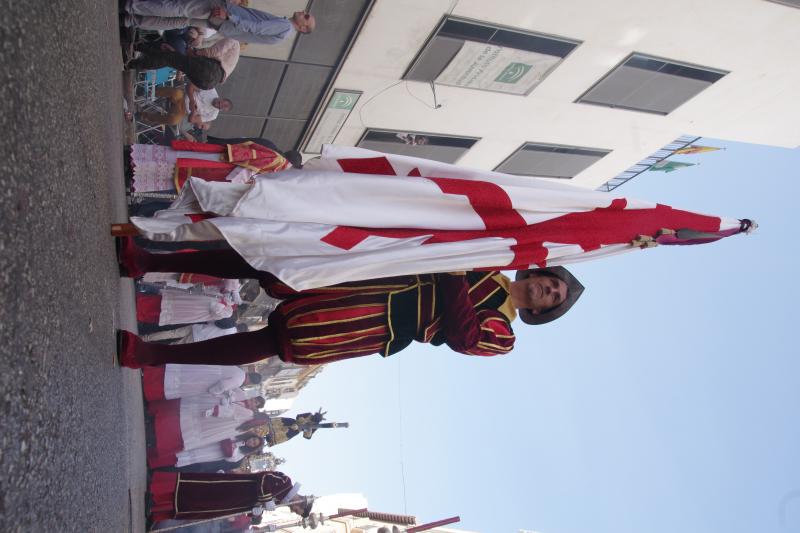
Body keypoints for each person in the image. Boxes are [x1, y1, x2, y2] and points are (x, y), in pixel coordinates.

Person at [116, 239, 584, 368]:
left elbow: (463, 336)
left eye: (555, 298)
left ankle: (154, 355)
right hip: (371, 273)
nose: (548, 290)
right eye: (552, 281)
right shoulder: (493, 258)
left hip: (377, 322)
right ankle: (148, 260)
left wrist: (457, 274)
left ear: (543, 311)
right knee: (268, 264)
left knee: (274, 341)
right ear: (541, 272)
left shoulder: (505, 338)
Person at [128, 139, 290, 193]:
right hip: (221, 164)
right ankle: (136, 160)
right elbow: (248, 158)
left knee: (180, 177)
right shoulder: (277, 161)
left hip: (220, 177)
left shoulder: (280, 182)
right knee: (181, 159)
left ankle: (139, 175)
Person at [147, 470, 310, 522]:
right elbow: (263, 478)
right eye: (297, 510)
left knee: (197, 505)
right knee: (196, 490)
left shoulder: (280, 501)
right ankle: (156, 494)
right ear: (300, 501)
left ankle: (156, 510)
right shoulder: (285, 482)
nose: (293, 510)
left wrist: (255, 512)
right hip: (233, 487)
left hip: (232, 503)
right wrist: (266, 500)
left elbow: (258, 503)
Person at [122, 2, 316, 45]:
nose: (304, 13)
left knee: (181, 8)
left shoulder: (284, 27)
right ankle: (131, 19)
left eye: (306, 17)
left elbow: (254, 27)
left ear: (303, 28)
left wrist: (229, 15)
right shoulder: (283, 34)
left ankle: (131, 6)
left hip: (225, 17)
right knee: (179, 19)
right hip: (224, 24)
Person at [127, 36, 240, 90]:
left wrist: (196, 52)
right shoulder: (235, 54)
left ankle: (137, 55)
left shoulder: (234, 40)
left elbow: (213, 52)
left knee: (170, 59)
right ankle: (136, 57)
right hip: (210, 83)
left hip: (211, 70)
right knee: (172, 59)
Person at [142, 362, 261, 401]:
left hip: (204, 371)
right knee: (178, 383)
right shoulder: (239, 381)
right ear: (250, 382)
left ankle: (148, 373)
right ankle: (148, 386)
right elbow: (222, 385)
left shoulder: (238, 369)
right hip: (204, 381)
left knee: (176, 374)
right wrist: (214, 393)